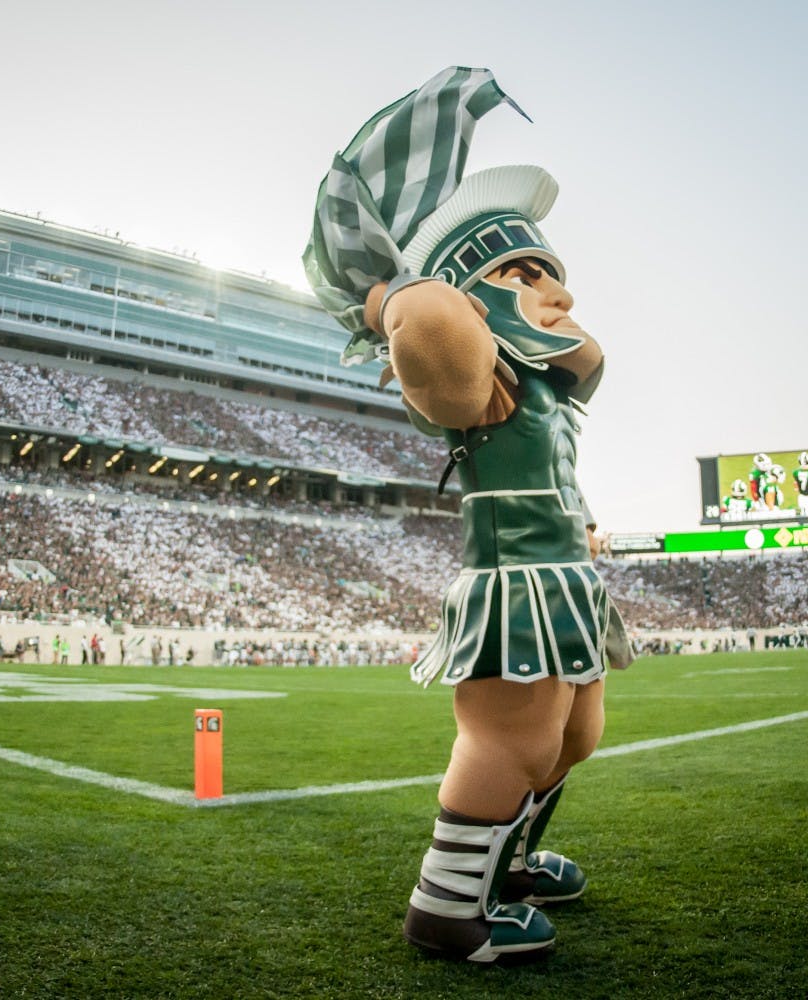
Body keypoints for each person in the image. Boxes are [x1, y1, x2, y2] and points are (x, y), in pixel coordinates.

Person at [305, 66, 633, 963]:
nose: (558, 293)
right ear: (477, 296)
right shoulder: (475, 367)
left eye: (554, 274)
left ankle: (509, 861)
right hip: (515, 581)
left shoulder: (547, 394)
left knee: (573, 734)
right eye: (524, 274)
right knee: (510, 738)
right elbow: (432, 329)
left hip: (566, 571)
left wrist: (588, 524)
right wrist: (390, 294)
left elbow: (557, 471)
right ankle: (447, 907)